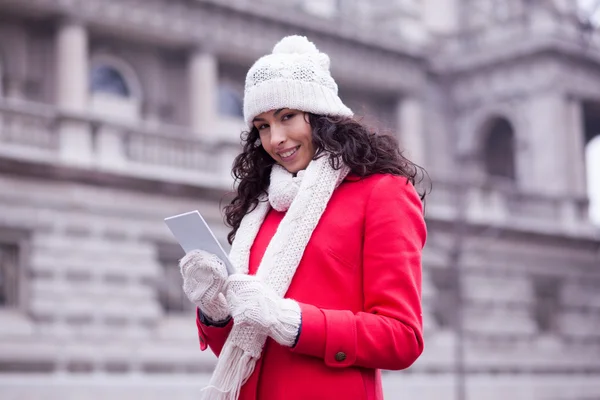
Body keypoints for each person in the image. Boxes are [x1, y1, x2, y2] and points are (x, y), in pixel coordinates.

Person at [179, 35, 427, 400]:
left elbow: (402, 338)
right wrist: (215, 309)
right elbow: (246, 348)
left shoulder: (382, 193)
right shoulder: (260, 207)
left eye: (287, 117)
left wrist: (289, 320)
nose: (275, 138)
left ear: (321, 116)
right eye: (262, 126)